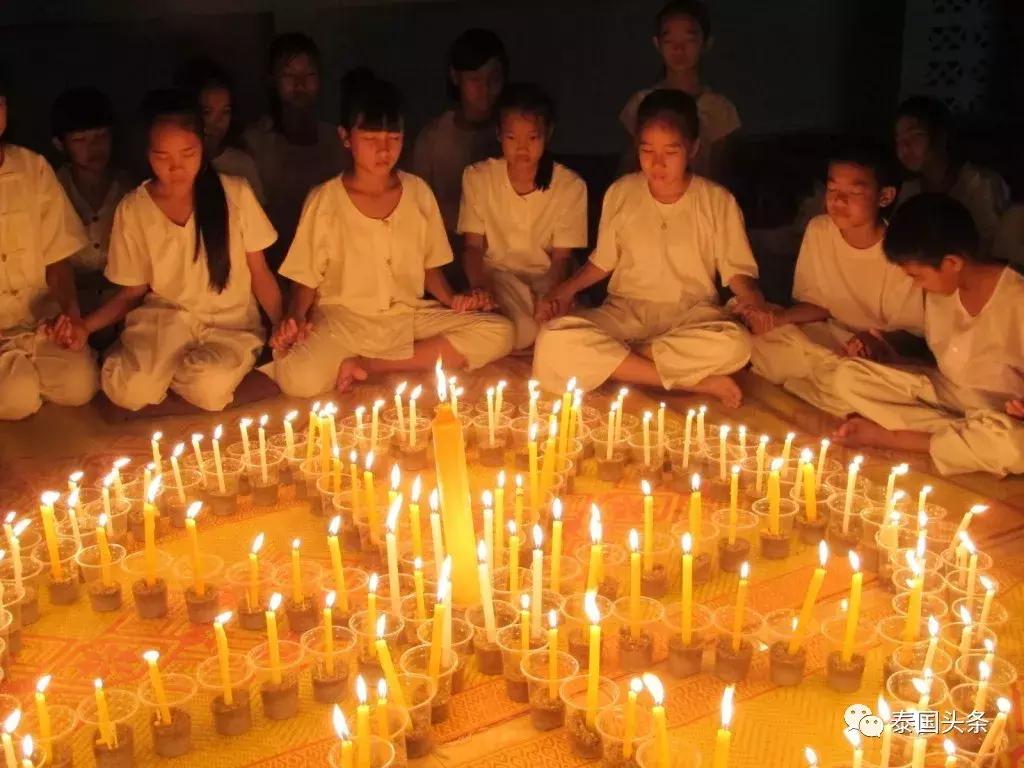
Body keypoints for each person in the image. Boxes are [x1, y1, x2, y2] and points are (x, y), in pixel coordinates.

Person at [269, 77, 515, 397]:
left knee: (500, 331)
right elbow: (306, 278)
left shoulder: (417, 193)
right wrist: (296, 317)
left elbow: (429, 268)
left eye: (394, 137)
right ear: (345, 137)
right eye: (371, 138)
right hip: (344, 321)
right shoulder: (325, 200)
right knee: (298, 379)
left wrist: (453, 299)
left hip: (406, 316)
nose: (383, 150)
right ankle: (383, 358)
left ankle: (369, 365)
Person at [52, 90, 282, 412]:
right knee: (127, 390)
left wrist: (283, 323)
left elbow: (259, 273)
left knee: (208, 385)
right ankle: (164, 377)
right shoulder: (135, 208)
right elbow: (132, 292)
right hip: (165, 322)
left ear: (203, 146)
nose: (177, 167)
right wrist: (85, 326)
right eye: (163, 157)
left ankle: (178, 381)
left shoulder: (234, 193)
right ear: (147, 154)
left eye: (188, 153)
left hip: (229, 325)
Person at [532, 89, 763, 405]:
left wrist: (755, 302)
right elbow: (603, 261)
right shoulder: (622, 192)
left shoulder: (716, 200)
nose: (657, 163)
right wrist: (564, 290)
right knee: (551, 340)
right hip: (626, 312)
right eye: (647, 151)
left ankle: (620, 364)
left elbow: (736, 271)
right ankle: (689, 381)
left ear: (693, 148)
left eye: (670, 151)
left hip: (689, 315)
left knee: (737, 345)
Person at [834, 194, 1024, 476]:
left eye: (917, 276)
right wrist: (887, 350)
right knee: (848, 377)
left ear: (951, 263)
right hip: (948, 396)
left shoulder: (1016, 297)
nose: (915, 283)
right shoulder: (940, 293)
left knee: (1014, 447)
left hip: (1002, 414)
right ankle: (962, 440)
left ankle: (896, 437)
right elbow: (934, 355)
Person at [742, 141, 925, 415]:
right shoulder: (819, 230)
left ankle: (820, 390)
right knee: (762, 343)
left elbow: (910, 334)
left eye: (854, 191)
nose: (839, 200)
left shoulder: (898, 251)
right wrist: (774, 319)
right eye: (832, 189)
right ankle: (819, 389)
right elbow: (817, 303)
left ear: (884, 197)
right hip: (828, 335)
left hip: (873, 355)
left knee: (849, 379)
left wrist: (872, 341)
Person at [457, 83, 588, 351]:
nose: (522, 148)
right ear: (498, 135)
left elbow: (562, 258)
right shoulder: (479, 178)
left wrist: (551, 296)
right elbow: (472, 246)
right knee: (512, 331)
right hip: (498, 280)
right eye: (512, 138)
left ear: (547, 134)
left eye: (532, 138)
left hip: (546, 280)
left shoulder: (569, 186)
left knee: (566, 334)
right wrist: (481, 288)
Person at [0, 74, 99, 419]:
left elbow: (57, 258)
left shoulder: (31, 167)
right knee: (17, 399)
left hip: (40, 321)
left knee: (80, 386)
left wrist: (70, 316)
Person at [244, 33, 346, 267]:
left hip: (331, 269)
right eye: (289, 75)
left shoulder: (339, 142)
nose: (300, 85)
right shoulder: (254, 144)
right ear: (272, 80)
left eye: (308, 74)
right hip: (271, 268)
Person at [619, 0, 739, 180]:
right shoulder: (639, 103)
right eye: (670, 40)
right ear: (657, 43)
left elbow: (721, 173)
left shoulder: (720, 109)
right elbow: (628, 168)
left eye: (689, 40)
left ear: (706, 43)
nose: (679, 48)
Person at [412, 28, 507, 238]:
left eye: (495, 78)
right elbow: (418, 209)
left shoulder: (515, 135)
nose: (486, 87)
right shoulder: (433, 138)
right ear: (456, 77)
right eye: (475, 79)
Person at [50, 86, 131, 326]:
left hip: (124, 314)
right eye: (80, 140)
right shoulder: (50, 192)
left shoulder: (132, 190)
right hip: (64, 316)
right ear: (60, 144)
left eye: (101, 136)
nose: (93, 147)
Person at [893, 96, 1008, 256]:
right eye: (899, 139)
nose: (905, 147)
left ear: (941, 135)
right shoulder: (909, 190)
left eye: (916, 136)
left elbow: (992, 246)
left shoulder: (982, 184)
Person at [175, 57, 265, 202]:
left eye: (225, 111)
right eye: (207, 112)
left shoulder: (241, 165)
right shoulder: (175, 166)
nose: (218, 122)